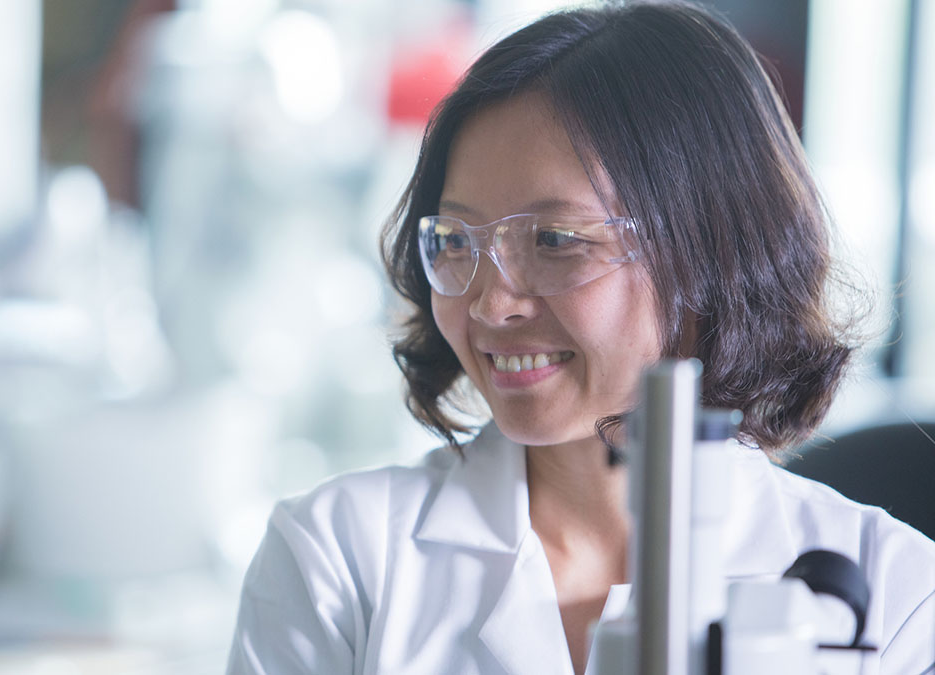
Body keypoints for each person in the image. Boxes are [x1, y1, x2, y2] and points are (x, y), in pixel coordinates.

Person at [225, 2, 935, 674]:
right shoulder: (339, 559)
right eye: (455, 240)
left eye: (556, 239)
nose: (491, 303)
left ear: (714, 248)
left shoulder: (893, 593)